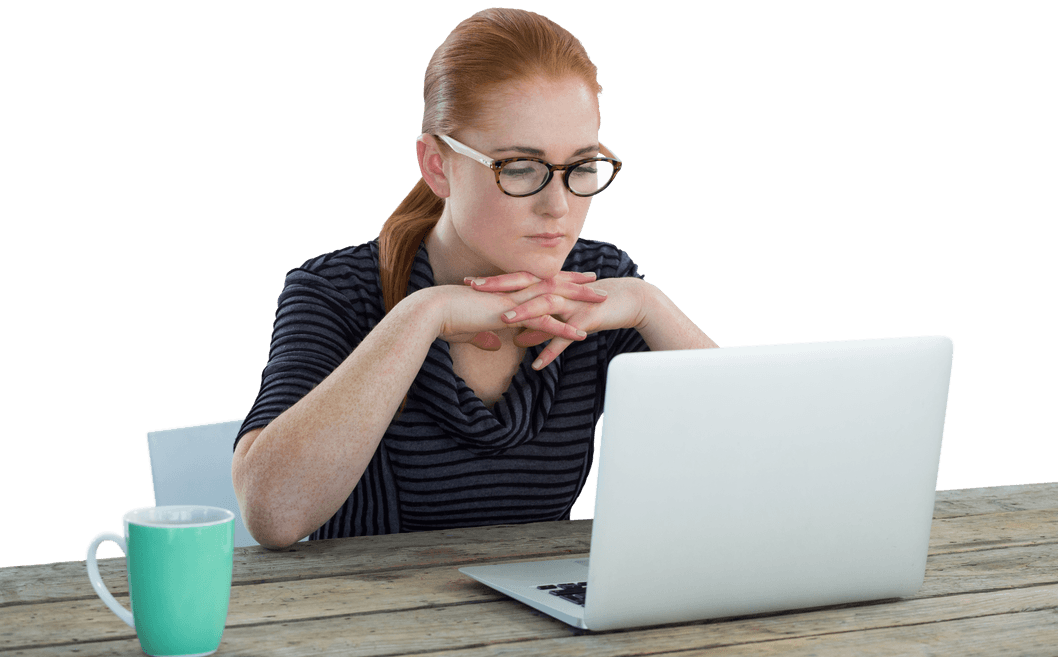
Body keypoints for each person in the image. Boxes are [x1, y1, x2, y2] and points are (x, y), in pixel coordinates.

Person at [231, 7, 718, 550]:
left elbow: (757, 457)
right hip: (365, 603)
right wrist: (423, 313)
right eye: (521, 168)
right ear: (438, 166)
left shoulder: (600, 286)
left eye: (581, 167)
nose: (558, 207)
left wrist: (649, 304)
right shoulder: (335, 291)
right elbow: (273, 515)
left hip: (541, 602)